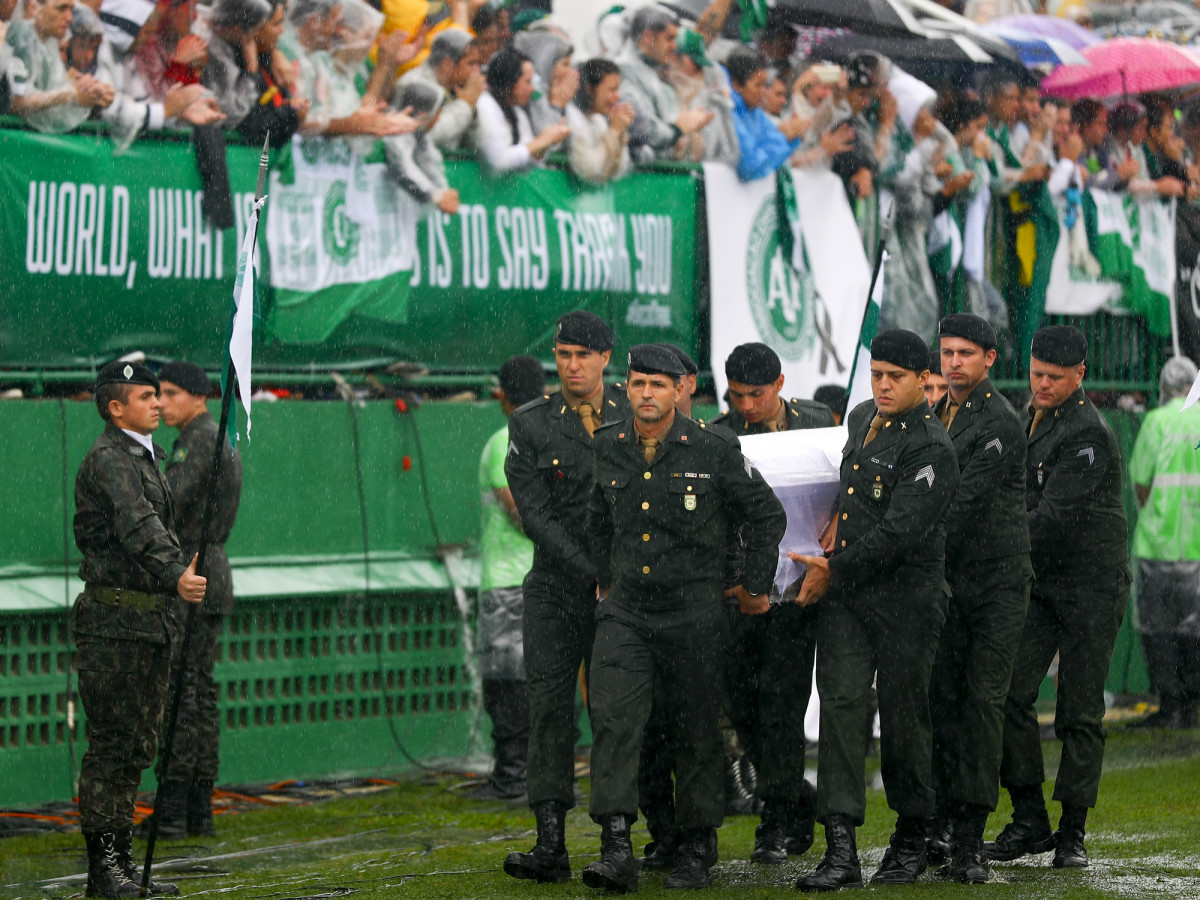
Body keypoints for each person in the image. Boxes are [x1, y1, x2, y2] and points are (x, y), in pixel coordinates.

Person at [583, 344, 787, 893]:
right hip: (626, 611)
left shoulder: (714, 448)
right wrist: (607, 578)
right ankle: (617, 843)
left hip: (694, 612)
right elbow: (595, 520)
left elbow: (766, 514)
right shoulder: (609, 445)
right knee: (615, 722)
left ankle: (696, 846)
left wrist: (754, 586)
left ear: (682, 389)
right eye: (637, 383)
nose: (645, 394)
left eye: (657, 384)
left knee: (694, 730)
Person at [789, 329, 958, 891]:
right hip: (849, 597)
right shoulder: (861, 417)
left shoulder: (932, 446)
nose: (882, 386)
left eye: (896, 378)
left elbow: (900, 533)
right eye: (877, 374)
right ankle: (840, 848)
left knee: (906, 718)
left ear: (923, 382)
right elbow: (851, 491)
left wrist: (832, 568)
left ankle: (911, 837)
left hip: (907, 599)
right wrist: (834, 525)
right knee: (839, 709)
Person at [988, 325, 1130, 869]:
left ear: (1081, 376)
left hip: (1091, 585)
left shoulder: (1090, 433)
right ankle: (1029, 818)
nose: (1041, 384)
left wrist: (986, 536)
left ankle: (1073, 832)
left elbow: (1048, 522)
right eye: (1036, 373)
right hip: (1044, 583)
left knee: (1079, 709)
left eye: (1053, 377)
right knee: (1006, 693)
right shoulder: (1032, 416)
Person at [502, 311, 631, 884]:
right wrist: (590, 570)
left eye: (583, 354)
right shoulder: (532, 424)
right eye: (563, 355)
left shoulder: (638, 408)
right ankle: (549, 838)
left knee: (614, 713)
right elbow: (537, 516)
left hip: (623, 588)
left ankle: (617, 837)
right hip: (557, 588)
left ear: (606, 357)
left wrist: (615, 574)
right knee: (550, 711)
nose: (572, 365)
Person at [73, 360, 207, 898]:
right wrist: (176, 572)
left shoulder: (142, 457)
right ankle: (105, 868)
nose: (157, 403)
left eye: (159, 395)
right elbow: (138, 525)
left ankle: (122, 864)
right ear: (115, 407)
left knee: (135, 747)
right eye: (146, 395)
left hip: (145, 621)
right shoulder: (109, 460)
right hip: (114, 623)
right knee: (112, 746)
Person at [706, 343, 833, 864]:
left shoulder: (817, 420)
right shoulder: (718, 435)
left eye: (756, 395)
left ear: (780, 384)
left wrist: (832, 548)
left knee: (783, 706)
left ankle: (777, 817)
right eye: (736, 396)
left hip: (798, 590)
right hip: (740, 592)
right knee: (740, 705)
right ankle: (793, 796)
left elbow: (839, 487)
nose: (746, 406)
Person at [926, 315, 1031, 883]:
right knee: (942, 702)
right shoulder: (938, 414)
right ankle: (942, 822)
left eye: (966, 353)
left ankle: (968, 837)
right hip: (951, 583)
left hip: (994, 586)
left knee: (981, 705)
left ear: (990, 359)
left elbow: (957, 507)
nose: (954, 362)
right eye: (947, 352)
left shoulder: (998, 424)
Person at [144, 362, 242, 839]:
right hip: (210, 570)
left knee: (182, 694)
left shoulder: (198, 440)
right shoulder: (215, 437)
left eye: (171, 392)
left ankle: (175, 809)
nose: (161, 402)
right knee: (199, 693)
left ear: (199, 397)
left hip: (191, 569)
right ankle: (198, 807)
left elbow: (170, 502)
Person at [472, 356, 546, 802]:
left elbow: (519, 513)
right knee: (529, 679)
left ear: (502, 394)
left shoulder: (506, 439)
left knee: (505, 682)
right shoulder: (550, 433)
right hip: (537, 577)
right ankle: (525, 773)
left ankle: (512, 776)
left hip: (506, 582)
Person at [1127, 357, 1200, 729]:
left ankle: (1170, 705)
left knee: (1158, 628)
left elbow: (1141, 479)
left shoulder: (1156, 422)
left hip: (1156, 543)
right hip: (1197, 546)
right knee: (1194, 629)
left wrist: (1155, 511)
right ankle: (1193, 704)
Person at [616, 4, 713, 164]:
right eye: (669, 38)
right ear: (647, 37)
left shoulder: (649, 71)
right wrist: (679, 129)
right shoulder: (625, 69)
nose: (674, 46)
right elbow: (643, 131)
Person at [6, 0, 115, 132]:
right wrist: (71, 95)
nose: (70, 18)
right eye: (62, 9)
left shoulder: (49, 39)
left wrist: (88, 90)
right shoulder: (22, 33)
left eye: (70, 9)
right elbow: (14, 102)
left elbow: (50, 89)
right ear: (33, 6)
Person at [475, 45, 570, 174]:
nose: (532, 89)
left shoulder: (517, 112)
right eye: (527, 82)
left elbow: (524, 165)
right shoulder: (484, 104)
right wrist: (541, 141)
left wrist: (547, 142)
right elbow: (498, 162)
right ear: (510, 81)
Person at [725, 46, 806, 182]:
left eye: (765, 84)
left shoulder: (755, 112)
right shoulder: (728, 112)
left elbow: (774, 158)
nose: (764, 91)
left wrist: (791, 136)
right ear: (737, 85)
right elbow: (749, 166)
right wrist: (784, 137)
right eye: (758, 85)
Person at [398, 28, 483, 151]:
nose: (477, 72)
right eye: (472, 64)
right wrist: (465, 105)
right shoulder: (416, 85)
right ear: (447, 64)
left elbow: (477, 144)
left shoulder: (455, 87)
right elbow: (429, 135)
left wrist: (472, 110)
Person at [383, 80, 458, 213]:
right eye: (436, 115)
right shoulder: (395, 129)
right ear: (422, 116)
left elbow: (428, 160)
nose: (438, 120)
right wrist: (436, 196)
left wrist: (444, 190)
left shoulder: (418, 132)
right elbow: (402, 168)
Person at [567, 57, 634, 185]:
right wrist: (614, 131)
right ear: (590, 89)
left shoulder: (598, 120)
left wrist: (620, 133)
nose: (617, 96)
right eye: (611, 90)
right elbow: (589, 170)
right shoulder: (571, 117)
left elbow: (618, 171)